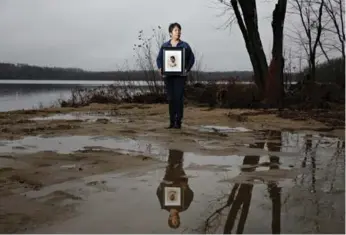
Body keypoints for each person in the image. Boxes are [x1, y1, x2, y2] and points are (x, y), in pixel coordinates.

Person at [156, 22, 195, 129]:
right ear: (170, 33)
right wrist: (160, 68)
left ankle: (178, 121)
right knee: (171, 99)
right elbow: (159, 59)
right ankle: (171, 121)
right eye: (176, 30)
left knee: (178, 98)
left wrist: (187, 69)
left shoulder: (185, 45)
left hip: (180, 77)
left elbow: (192, 58)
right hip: (168, 77)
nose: (178, 32)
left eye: (179, 30)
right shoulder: (165, 46)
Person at [156, 149, 194, 229]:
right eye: (178, 221)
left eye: (175, 221)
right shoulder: (184, 207)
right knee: (177, 165)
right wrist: (185, 188)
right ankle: (178, 146)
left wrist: (162, 185)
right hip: (180, 180)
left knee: (171, 164)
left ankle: (174, 146)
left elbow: (158, 192)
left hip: (168, 180)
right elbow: (191, 195)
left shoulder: (164, 206)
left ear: (169, 219)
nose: (177, 219)